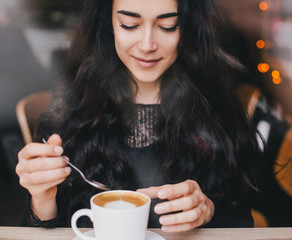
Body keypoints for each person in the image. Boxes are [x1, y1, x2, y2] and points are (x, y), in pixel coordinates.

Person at [15, 0, 263, 232]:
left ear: (187, 27)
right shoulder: (69, 110)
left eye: (167, 26)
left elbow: (242, 223)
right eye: (129, 25)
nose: (147, 45)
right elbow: (39, 230)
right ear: (109, 24)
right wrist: (42, 199)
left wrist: (208, 211)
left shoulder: (216, 108)